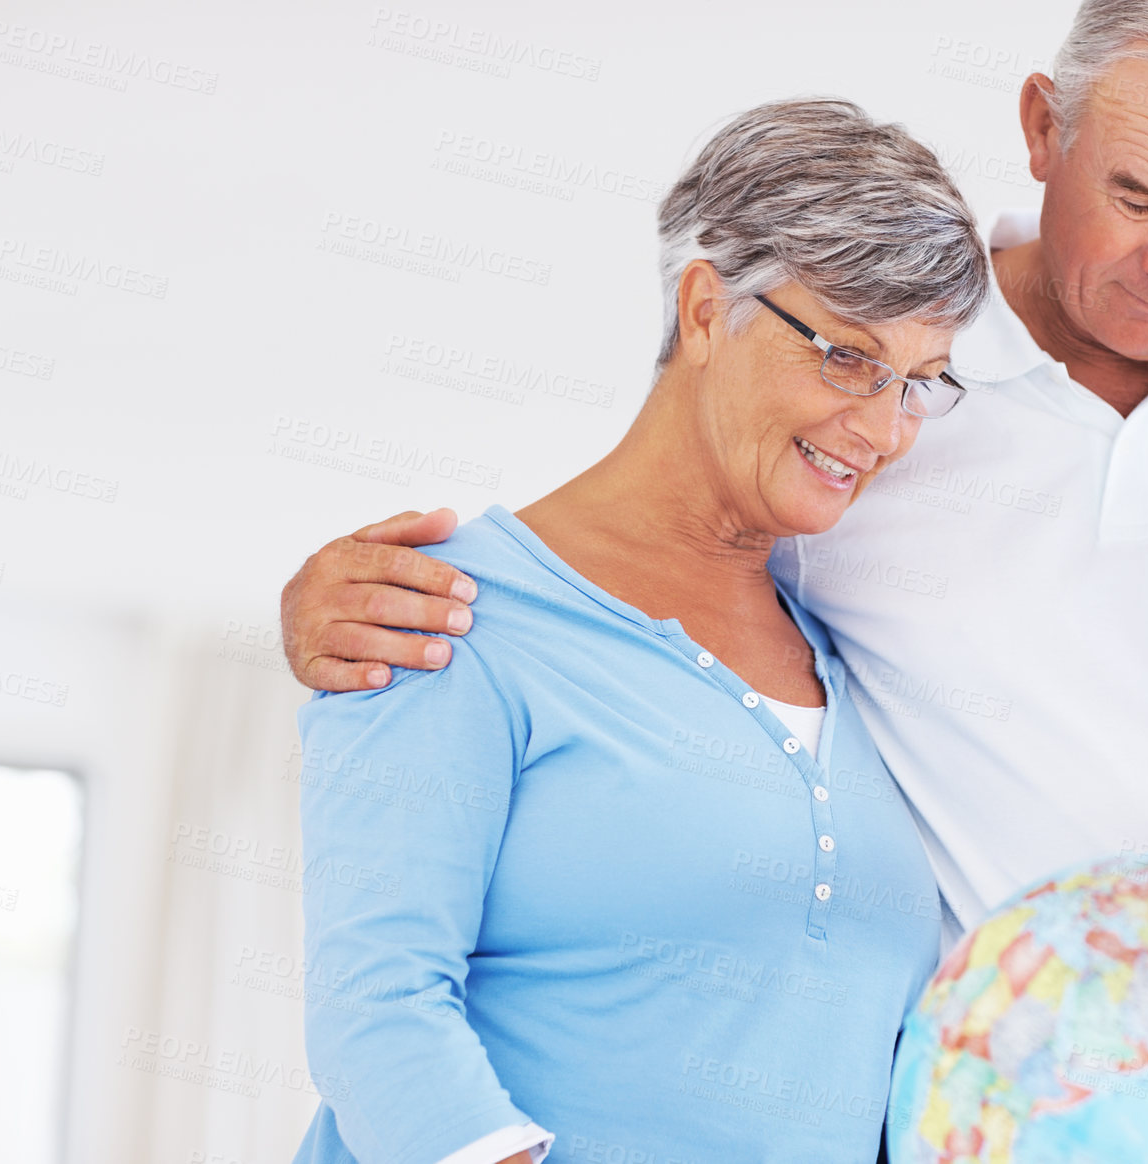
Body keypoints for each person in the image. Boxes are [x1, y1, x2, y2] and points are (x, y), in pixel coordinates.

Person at [280, 0, 1148, 941]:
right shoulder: (874, 378)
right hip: (963, 1110)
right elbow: (637, 553)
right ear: (1043, 130)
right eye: (1137, 197)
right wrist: (367, 600)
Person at [289, 98, 990, 1164]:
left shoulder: (853, 649)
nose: (885, 428)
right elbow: (376, 1012)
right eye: (849, 358)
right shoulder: (446, 612)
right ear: (707, 309)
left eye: (919, 382)